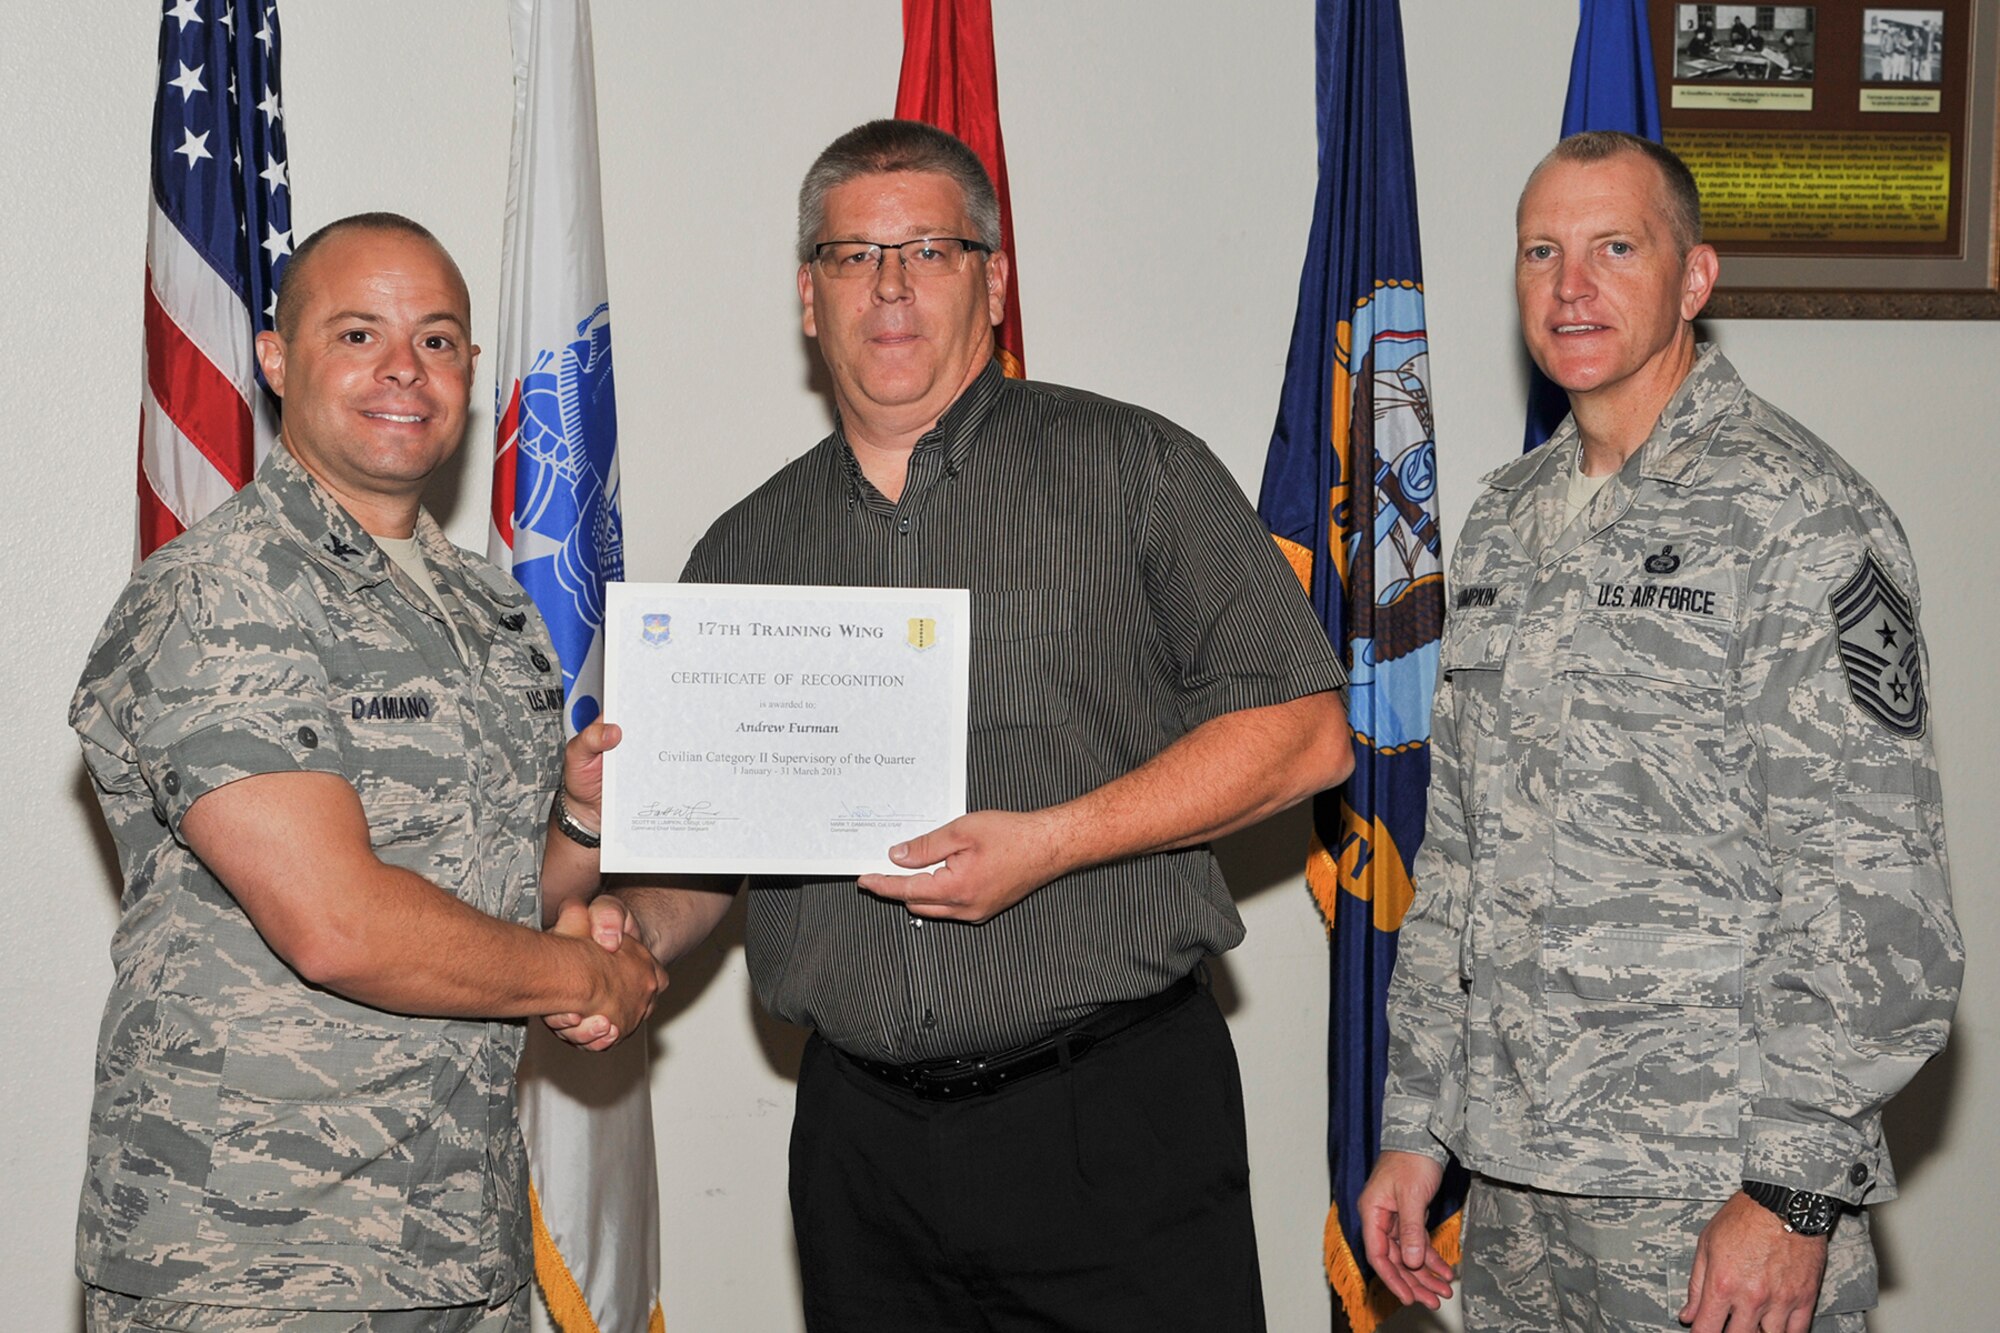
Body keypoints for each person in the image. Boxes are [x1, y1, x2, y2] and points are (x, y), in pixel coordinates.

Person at [588, 119, 1353, 1331]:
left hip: (1109, 1119)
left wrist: (1051, 841)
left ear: (992, 282)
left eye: (928, 250)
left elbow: (1304, 730)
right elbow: (717, 855)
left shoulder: (1135, 469)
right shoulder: (745, 552)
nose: (888, 286)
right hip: (861, 1153)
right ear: (807, 295)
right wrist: (626, 928)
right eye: (850, 256)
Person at [1357, 132, 1961, 1332]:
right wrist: (1417, 1124)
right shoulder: (1501, 522)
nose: (1568, 286)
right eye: (1541, 251)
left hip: (1708, 1189)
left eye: (1612, 248)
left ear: (1692, 281)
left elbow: (1870, 889)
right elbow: (1459, 860)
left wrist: (1791, 1192)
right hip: (1516, 1181)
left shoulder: (1797, 517)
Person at [71, 214, 664, 1333]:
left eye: (438, 340)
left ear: (472, 374)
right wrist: (576, 978)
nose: (405, 368)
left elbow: (480, 903)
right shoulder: (223, 592)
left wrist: (578, 826)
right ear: (277, 357)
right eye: (358, 333)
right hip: (254, 1258)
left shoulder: (490, 610)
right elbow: (335, 921)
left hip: (454, 1239)